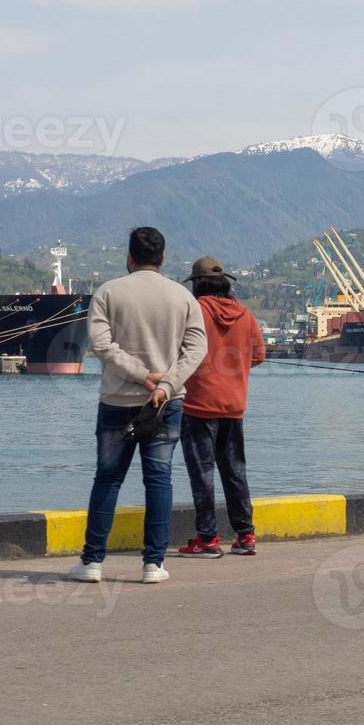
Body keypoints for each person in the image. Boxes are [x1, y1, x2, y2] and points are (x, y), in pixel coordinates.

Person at [71, 227, 207, 584]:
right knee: (159, 480)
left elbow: (101, 346)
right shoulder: (183, 297)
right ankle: (153, 564)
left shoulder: (108, 292)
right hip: (165, 403)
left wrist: (140, 374)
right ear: (162, 258)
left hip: (117, 401)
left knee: (108, 479)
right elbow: (196, 350)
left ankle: (92, 562)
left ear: (129, 257)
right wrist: (164, 384)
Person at [176, 256, 266, 558]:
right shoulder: (245, 313)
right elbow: (258, 356)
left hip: (198, 405)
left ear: (197, 284)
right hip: (234, 405)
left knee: (202, 472)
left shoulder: (194, 310)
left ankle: (208, 539)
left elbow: (178, 352)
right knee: (235, 470)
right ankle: (246, 535)